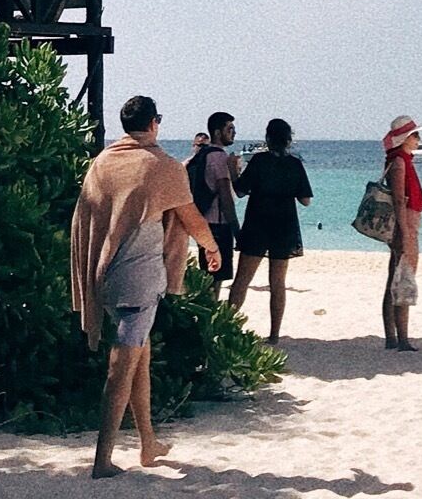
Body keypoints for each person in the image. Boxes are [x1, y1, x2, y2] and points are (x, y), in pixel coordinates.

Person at [70, 94, 221, 479]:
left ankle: (148, 443)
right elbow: (190, 217)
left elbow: (87, 215)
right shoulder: (163, 166)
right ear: (154, 122)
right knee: (122, 365)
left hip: (103, 275)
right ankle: (102, 459)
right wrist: (212, 247)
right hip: (138, 280)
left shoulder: (103, 162)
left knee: (141, 359)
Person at [228, 118, 313, 340]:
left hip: (257, 222)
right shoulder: (295, 164)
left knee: (242, 279)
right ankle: (274, 334)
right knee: (278, 283)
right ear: (288, 140)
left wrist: (233, 171)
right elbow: (306, 200)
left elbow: (239, 191)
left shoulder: (258, 161)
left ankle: (227, 327)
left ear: (267, 137)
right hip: (284, 225)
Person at [381, 116, 422, 351]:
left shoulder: (400, 160)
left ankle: (392, 337)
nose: (419, 139)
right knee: (403, 281)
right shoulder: (399, 162)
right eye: (416, 135)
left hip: (403, 226)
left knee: (394, 280)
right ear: (405, 138)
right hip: (404, 226)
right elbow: (399, 199)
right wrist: (405, 231)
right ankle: (402, 339)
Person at [188, 112, 243, 293]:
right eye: (230, 129)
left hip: (202, 221)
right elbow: (226, 198)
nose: (234, 132)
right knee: (215, 280)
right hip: (218, 225)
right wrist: (237, 231)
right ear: (218, 133)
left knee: (208, 277)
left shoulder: (204, 153)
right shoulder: (219, 158)